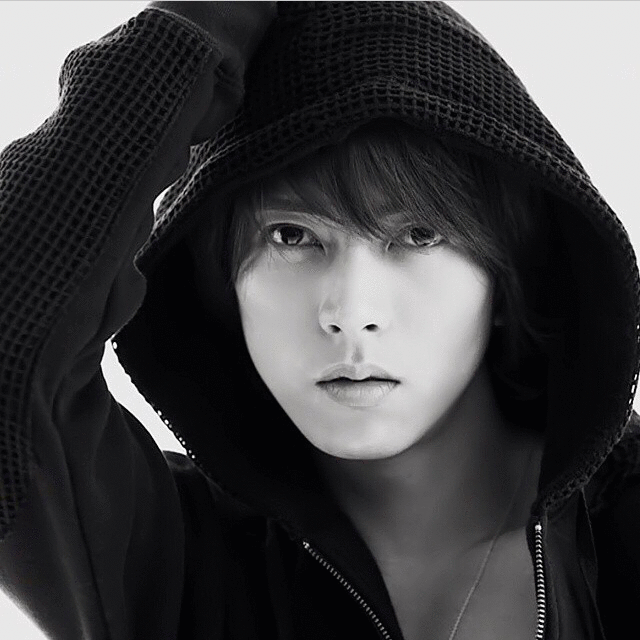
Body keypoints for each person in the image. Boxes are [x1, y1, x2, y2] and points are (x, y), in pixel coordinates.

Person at [0, 2, 638, 639]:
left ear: (505, 275)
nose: (351, 315)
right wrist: (197, 26)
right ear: (221, 281)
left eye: (418, 235)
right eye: (290, 235)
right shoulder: (170, 559)